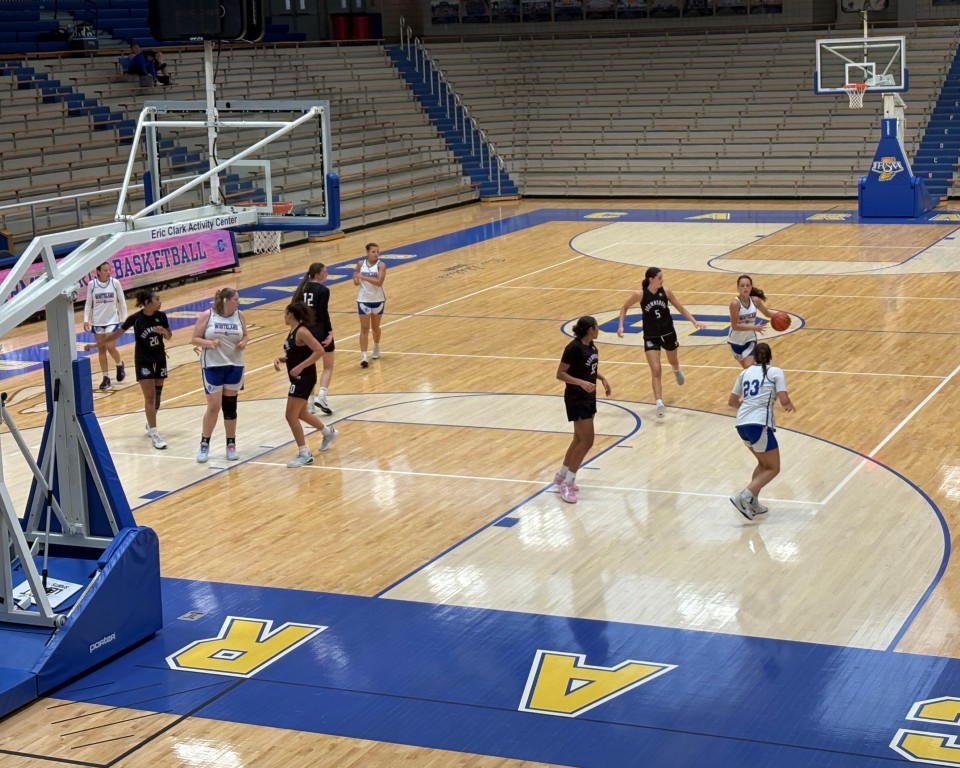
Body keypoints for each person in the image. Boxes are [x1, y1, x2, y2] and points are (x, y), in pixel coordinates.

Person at [86, 289, 171, 450]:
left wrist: (165, 332)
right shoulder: (136, 319)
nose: (160, 302)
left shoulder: (161, 316)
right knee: (150, 397)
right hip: (143, 361)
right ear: (147, 303)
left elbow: (169, 336)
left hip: (160, 359)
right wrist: (96, 345)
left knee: (157, 397)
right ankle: (155, 434)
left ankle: (150, 423)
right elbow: (116, 335)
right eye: (157, 299)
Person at [616, 267, 706, 418]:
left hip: (668, 332)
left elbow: (680, 308)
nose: (662, 280)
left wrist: (694, 321)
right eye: (659, 277)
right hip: (651, 336)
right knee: (656, 370)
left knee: (673, 360)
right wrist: (620, 325)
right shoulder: (640, 294)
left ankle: (676, 370)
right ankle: (659, 403)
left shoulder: (666, 292)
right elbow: (624, 307)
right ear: (651, 279)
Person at [727, 342, 795, 520]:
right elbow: (783, 399)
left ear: (754, 357)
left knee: (763, 464)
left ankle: (753, 503)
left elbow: (732, 402)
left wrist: (747, 409)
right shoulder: (775, 372)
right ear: (770, 356)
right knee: (773, 468)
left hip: (741, 424)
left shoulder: (744, 373)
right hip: (759, 424)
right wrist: (788, 404)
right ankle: (743, 496)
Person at [273, 302, 339, 467]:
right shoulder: (293, 332)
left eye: (285, 313)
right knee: (301, 414)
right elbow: (298, 354)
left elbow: (319, 351)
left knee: (290, 415)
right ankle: (328, 432)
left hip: (304, 378)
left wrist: (300, 367)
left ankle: (304, 454)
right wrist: (282, 359)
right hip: (299, 378)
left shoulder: (302, 331)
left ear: (290, 314)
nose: (283, 316)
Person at [554, 316, 612, 504]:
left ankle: (561, 476)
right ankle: (568, 483)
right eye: (597, 327)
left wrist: (601, 378)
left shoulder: (591, 346)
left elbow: (587, 369)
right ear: (590, 329)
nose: (598, 329)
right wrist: (580, 383)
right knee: (587, 441)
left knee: (579, 439)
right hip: (576, 398)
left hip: (588, 397)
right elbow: (560, 373)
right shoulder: (573, 348)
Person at [191, 287, 248, 463]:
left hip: (234, 364)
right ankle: (204, 443)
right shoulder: (208, 315)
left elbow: (246, 335)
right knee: (214, 406)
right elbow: (194, 339)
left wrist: (243, 342)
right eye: (235, 299)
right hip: (213, 365)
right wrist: (209, 343)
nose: (238, 302)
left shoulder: (239, 315)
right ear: (226, 301)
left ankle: (231, 444)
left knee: (230, 406)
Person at [292, 262, 335, 415]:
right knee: (328, 366)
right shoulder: (323, 290)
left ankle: (309, 404)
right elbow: (323, 313)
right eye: (325, 271)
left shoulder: (302, 289)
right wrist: (330, 331)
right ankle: (321, 396)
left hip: (305, 332)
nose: (327, 273)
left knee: (309, 367)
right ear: (317, 274)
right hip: (320, 330)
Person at [83, 261, 127, 390]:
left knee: (110, 346)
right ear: (98, 272)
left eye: (109, 270)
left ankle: (119, 364)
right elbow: (88, 303)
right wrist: (86, 319)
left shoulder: (115, 283)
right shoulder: (92, 285)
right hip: (97, 321)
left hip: (112, 320)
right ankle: (105, 377)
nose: (108, 272)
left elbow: (122, 302)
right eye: (105, 270)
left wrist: (124, 319)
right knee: (101, 349)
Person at [728, 274, 774, 369]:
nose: (745, 288)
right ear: (738, 288)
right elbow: (735, 326)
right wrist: (754, 327)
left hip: (750, 340)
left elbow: (767, 313)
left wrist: (780, 315)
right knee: (747, 370)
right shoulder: (735, 303)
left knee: (749, 367)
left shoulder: (755, 301)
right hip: (735, 342)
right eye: (742, 285)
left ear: (751, 287)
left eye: (747, 285)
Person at [353, 242, 386, 368]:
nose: (376, 254)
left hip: (378, 299)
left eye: (378, 252)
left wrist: (363, 277)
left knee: (375, 327)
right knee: (364, 328)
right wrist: (356, 280)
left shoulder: (381, 265)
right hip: (363, 299)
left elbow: (379, 282)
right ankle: (363, 356)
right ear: (367, 252)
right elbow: (356, 277)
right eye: (373, 252)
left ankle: (376, 346)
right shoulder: (360, 264)